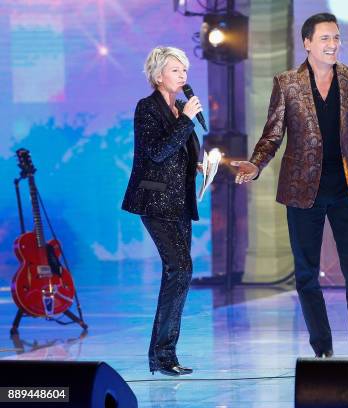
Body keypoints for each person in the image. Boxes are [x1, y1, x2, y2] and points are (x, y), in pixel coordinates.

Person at [230, 13, 348, 358]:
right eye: (325, 39)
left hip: (347, 188)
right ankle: (323, 350)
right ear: (307, 43)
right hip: (302, 191)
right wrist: (255, 165)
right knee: (306, 275)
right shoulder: (286, 83)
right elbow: (273, 135)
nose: (333, 44)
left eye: (336, 38)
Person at [122, 46, 203, 376]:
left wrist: (198, 164)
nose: (183, 75)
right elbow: (155, 152)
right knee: (180, 268)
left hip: (180, 201)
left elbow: (179, 153)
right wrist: (185, 122)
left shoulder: (181, 107)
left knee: (179, 272)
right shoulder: (147, 108)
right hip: (154, 200)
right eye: (175, 70)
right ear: (158, 76)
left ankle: (165, 354)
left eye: (184, 69)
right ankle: (162, 354)